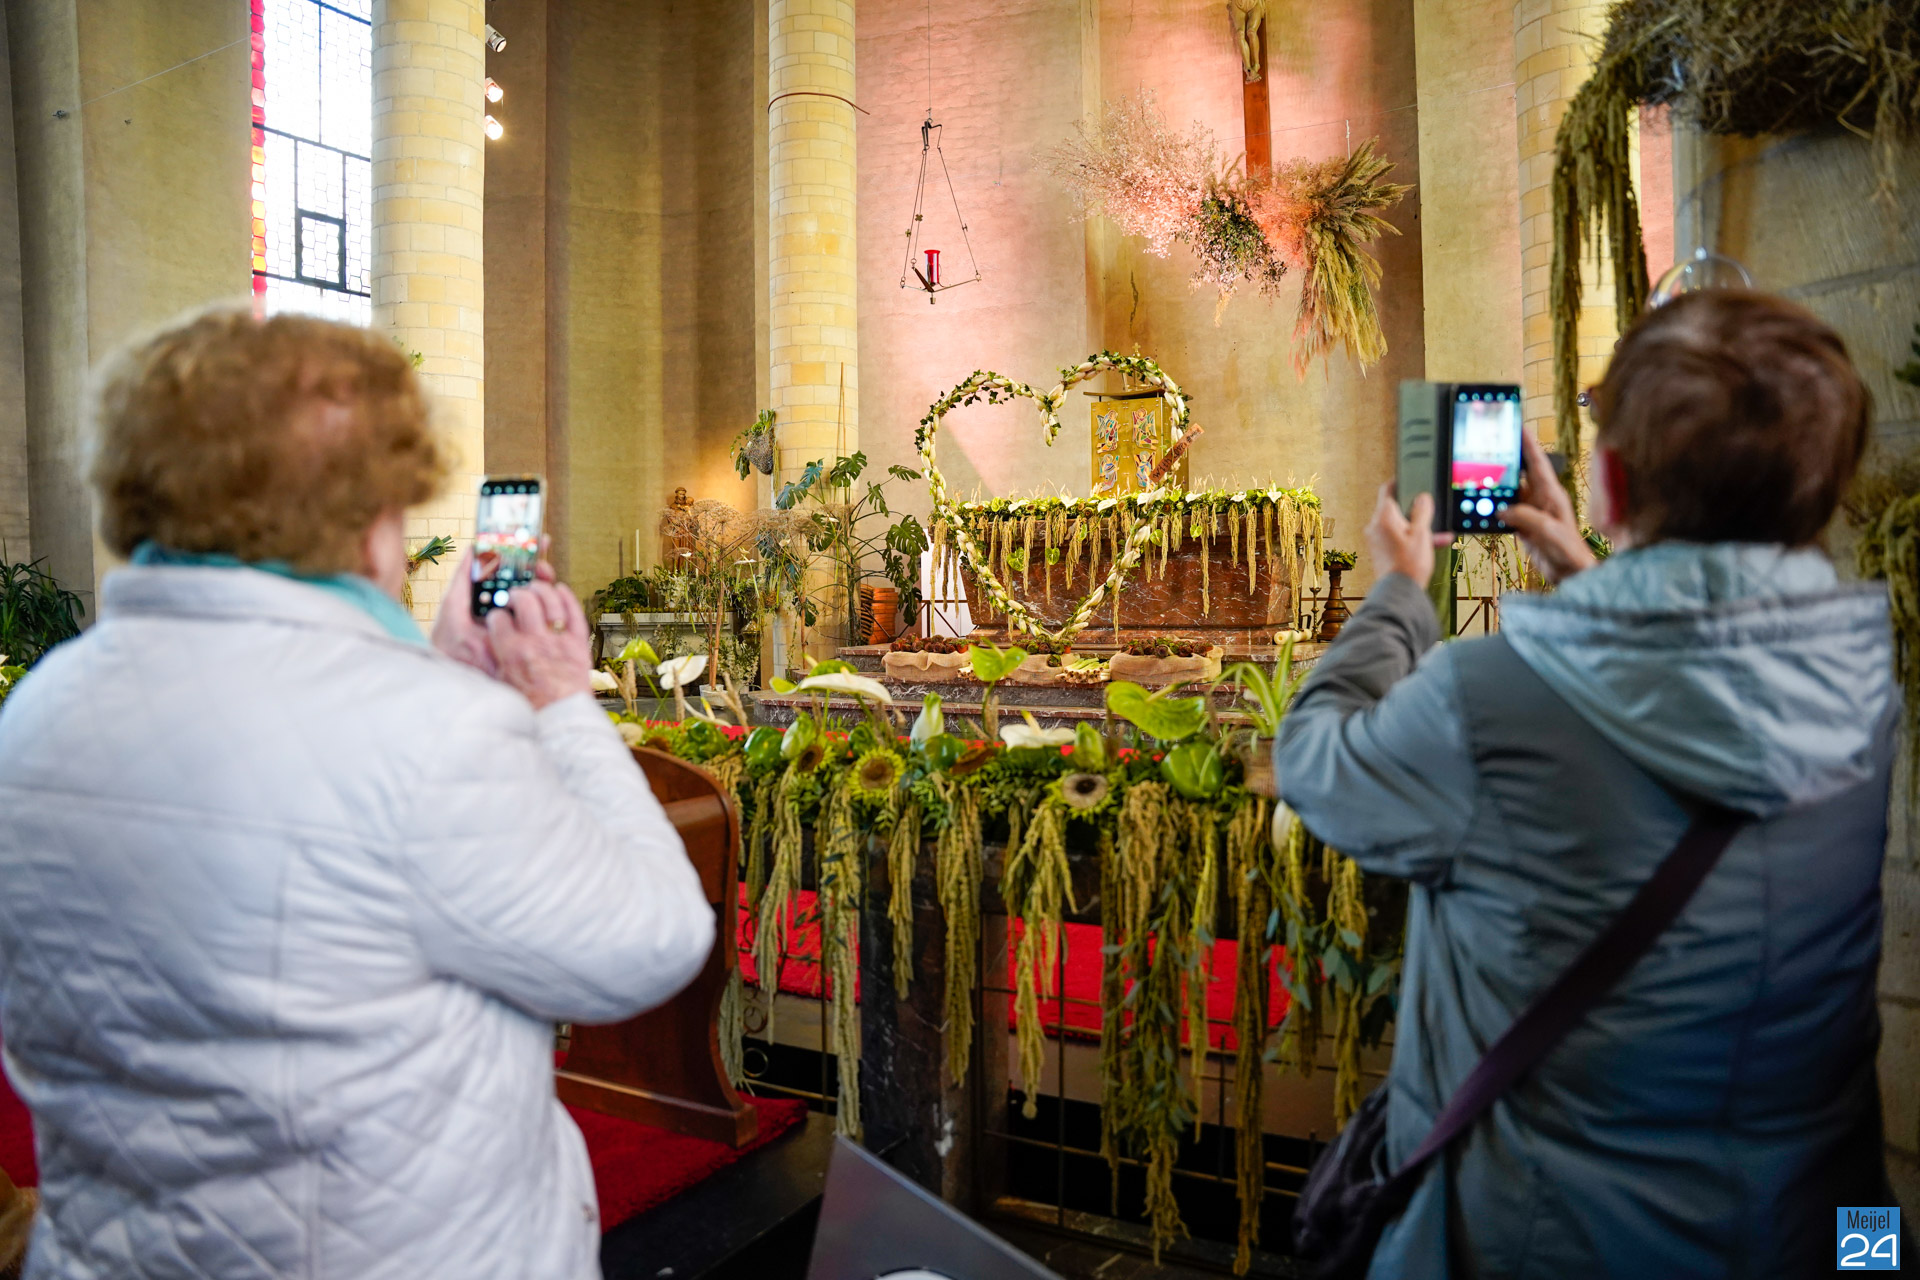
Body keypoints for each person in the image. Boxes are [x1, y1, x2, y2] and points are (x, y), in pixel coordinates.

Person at [0, 308, 716, 1278]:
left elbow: (321, 801)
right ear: (369, 514)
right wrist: (557, 698)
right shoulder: (429, 733)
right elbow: (652, 940)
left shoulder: (42, 707)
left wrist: (438, 669)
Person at [1278, 289, 1894, 1277]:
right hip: (1823, 1230)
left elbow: (1317, 763)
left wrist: (1397, 591)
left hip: (1554, 1235)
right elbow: (1701, 689)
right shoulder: (1860, 682)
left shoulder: (1487, 700)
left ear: (1607, 482)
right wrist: (1585, 577)